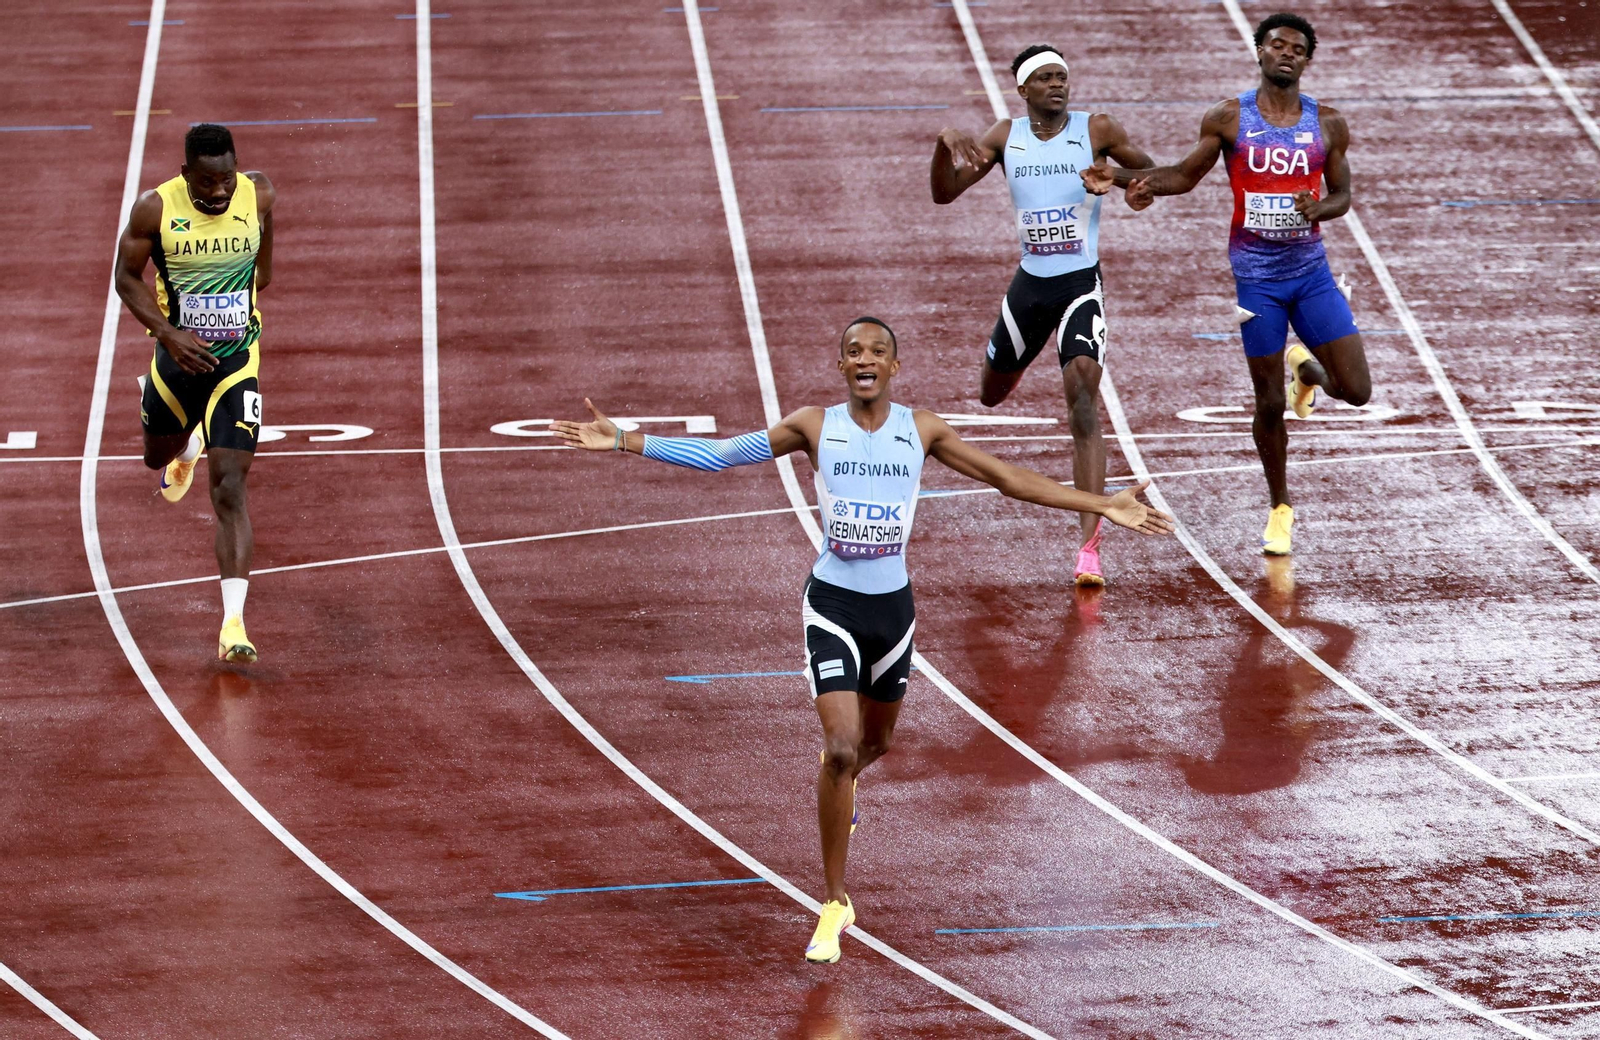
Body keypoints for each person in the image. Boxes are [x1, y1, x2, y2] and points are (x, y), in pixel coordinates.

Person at [549, 318, 1175, 963]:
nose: (865, 359)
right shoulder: (814, 426)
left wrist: (1099, 506)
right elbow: (724, 453)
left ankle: (840, 791)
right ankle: (833, 902)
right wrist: (624, 439)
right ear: (841, 367)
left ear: (894, 368)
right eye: (854, 352)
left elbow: (1005, 478)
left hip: (893, 612)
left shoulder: (921, 428)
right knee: (843, 748)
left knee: (876, 744)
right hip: (833, 604)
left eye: (877, 352)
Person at [1081, 12, 1372, 555]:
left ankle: (1305, 368)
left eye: (1297, 48)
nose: (1286, 53)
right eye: (1276, 44)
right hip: (1256, 279)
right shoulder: (1227, 118)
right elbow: (1183, 177)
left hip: (1310, 274)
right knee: (1266, 404)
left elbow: (1343, 195)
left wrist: (1319, 208)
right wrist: (1118, 178)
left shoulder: (1327, 123)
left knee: (1357, 391)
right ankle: (1280, 508)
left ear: (1307, 60)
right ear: (1259, 51)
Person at [930, 44, 1157, 586]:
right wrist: (942, 148)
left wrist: (1118, 181)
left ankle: (1089, 548)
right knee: (991, 393)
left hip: (1081, 282)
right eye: (1046, 77)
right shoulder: (1004, 137)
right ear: (1023, 89)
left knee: (1083, 391)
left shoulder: (1096, 128)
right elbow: (944, 194)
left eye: (1064, 75)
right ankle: (1028, 351)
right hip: (1031, 287)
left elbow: (1154, 174)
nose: (1059, 84)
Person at [114, 123, 275, 661]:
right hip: (179, 358)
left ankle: (234, 625)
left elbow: (263, 268)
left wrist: (247, 296)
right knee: (152, 455)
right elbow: (125, 277)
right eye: (208, 183)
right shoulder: (154, 209)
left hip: (236, 359)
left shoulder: (258, 193)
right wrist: (169, 334)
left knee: (230, 485)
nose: (221, 192)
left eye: (227, 180)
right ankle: (182, 449)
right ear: (187, 175)